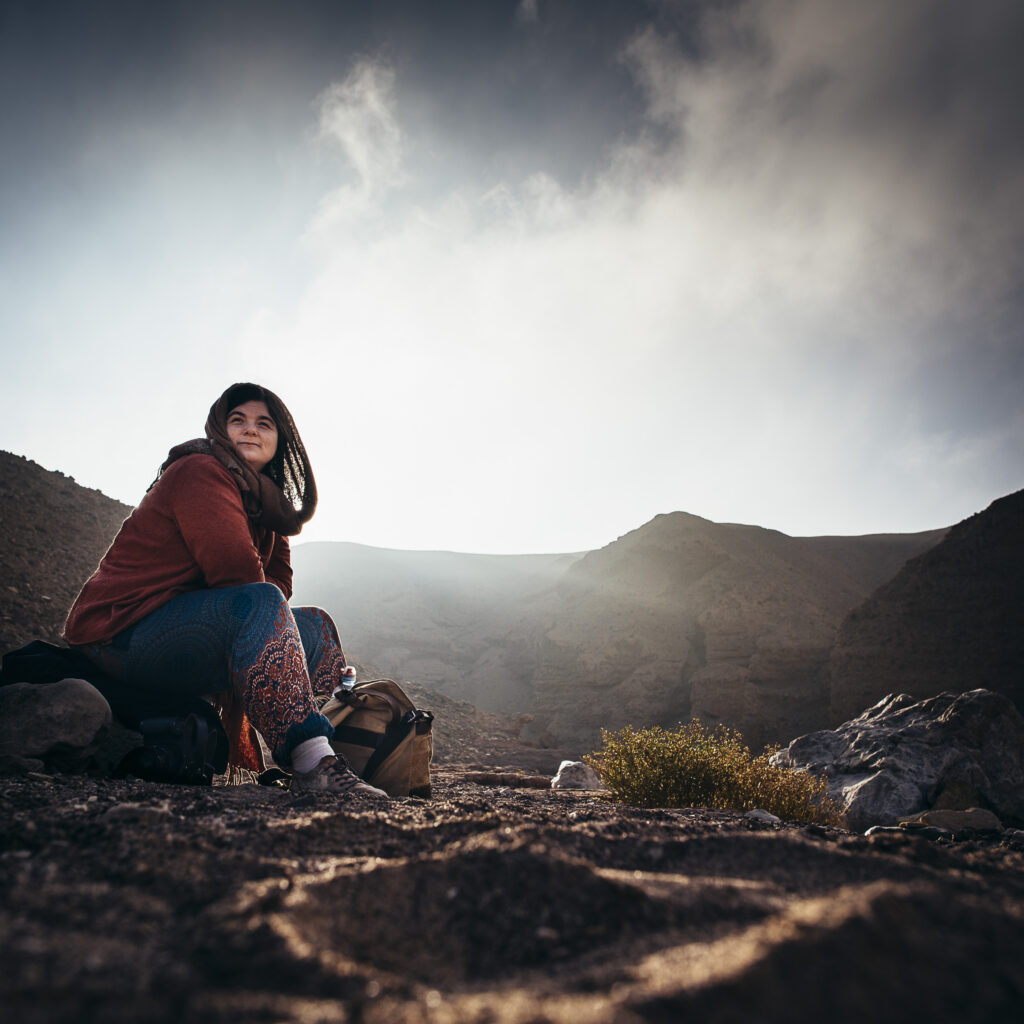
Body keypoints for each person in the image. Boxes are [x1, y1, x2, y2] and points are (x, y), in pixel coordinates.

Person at [63, 381, 386, 799]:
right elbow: (237, 574)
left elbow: (281, 584)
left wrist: (262, 619)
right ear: (220, 429)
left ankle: (341, 755)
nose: (250, 429)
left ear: (280, 440)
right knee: (260, 602)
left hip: (187, 625)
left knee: (314, 625)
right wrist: (257, 613)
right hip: (120, 633)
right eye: (238, 420)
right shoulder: (199, 470)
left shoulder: (266, 505)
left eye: (264, 424)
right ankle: (313, 765)